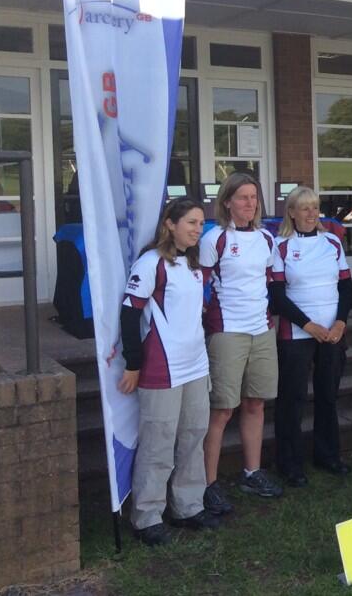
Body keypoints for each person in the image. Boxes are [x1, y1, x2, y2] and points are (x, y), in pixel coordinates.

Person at [119, 198, 219, 546]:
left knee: (193, 436)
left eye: (201, 223)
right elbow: (129, 314)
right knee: (158, 444)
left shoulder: (193, 263)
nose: (198, 229)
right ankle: (147, 517)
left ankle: (188, 507)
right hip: (161, 368)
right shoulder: (151, 263)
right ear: (170, 224)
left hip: (195, 365)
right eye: (191, 222)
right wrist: (133, 364)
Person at [200, 172, 284, 514]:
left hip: (261, 330)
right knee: (222, 409)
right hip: (227, 330)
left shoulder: (266, 238)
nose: (250, 203)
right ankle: (208, 484)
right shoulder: (214, 238)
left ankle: (252, 472)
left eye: (254, 197)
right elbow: (201, 286)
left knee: (255, 403)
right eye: (243, 197)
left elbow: (269, 282)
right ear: (227, 202)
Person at [271, 186, 352, 487]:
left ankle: (328, 454)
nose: (311, 214)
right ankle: (290, 463)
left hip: (332, 333)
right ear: (291, 212)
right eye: (304, 208)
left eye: (315, 207)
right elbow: (277, 296)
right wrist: (307, 325)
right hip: (296, 334)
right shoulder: (280, 246)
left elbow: (346, 288)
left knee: (328, 394)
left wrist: (340, 323)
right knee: (292, 399)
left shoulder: (332, 242)